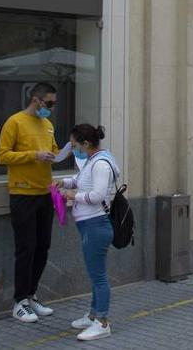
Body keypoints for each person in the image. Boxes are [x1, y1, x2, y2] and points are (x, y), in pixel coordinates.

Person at [0, 82, 65, 324]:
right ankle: (19, 301)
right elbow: (2, 155)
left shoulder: (47, 125)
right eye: (49, 103)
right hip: (22, 193)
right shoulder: (14, 122)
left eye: (54, 104)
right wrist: (33, 155)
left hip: (44, 192)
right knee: (25, 248)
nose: (51, 108)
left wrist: (58, 155)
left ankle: (31, 294)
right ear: (36, 100)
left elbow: (53, 149)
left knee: (43, 246)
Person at [57, 123, 119, 342]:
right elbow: (81, 181)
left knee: (98, 276)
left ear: (86, 144)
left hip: (96, 225)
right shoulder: (92, 160)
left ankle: (102, 322)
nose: (73, 149)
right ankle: (93, 314)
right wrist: (63, 183)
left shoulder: (100, 164)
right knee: (95, 275)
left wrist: (72, 196)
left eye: (75, 145)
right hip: (89, 225)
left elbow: (97, 194)